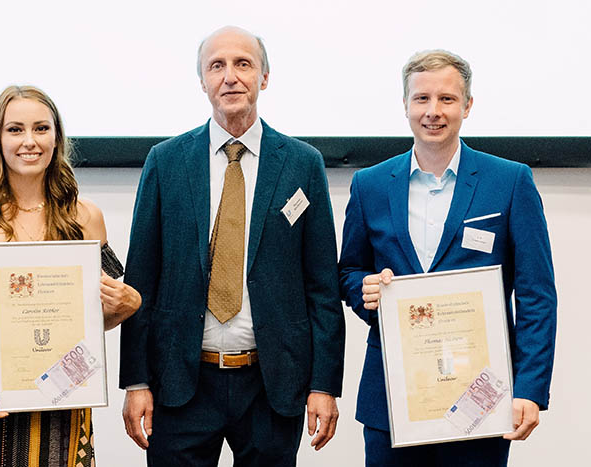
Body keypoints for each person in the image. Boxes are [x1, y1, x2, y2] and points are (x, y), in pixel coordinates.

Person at [119, 26, 345, 466]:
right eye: (216, 66)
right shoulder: (166, 162)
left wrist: (324, 384)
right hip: (181, 382)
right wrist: (136, 381)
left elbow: (322, 287)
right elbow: (140, 279)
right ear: (202, 80)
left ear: (264, 77)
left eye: (243, 64)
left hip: (271, 383)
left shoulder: (302, 163)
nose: (230, 77)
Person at [338, 50, 557, 466]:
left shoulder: (510, 181)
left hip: (482, 398)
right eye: (421, 99)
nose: (433, 111)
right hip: (392, 399)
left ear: (468, 105)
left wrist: (529, 387)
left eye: (447, 99)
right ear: (405, 105)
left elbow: (536, 294)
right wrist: (363, 288)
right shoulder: (369, 185)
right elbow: (349, 271)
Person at [0, 85, 141, 467]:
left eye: (41, 128)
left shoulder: (86, 217)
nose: (29, 141)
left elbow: (96, 319)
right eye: (15, 129)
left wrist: (127, 305)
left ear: (56, 138)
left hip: (63, 392)